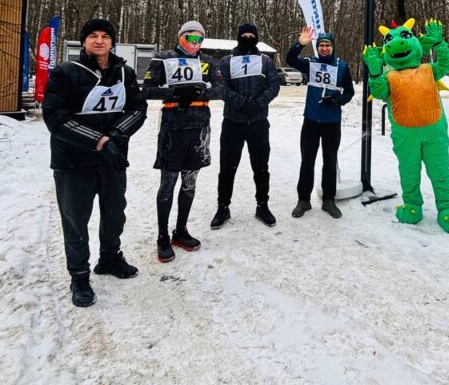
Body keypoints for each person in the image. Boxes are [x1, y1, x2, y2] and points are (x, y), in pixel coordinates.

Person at [42, 18, 147, 307]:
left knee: (115, 214)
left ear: (112, 42)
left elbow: (138, 108)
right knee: (76, 221)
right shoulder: (65, 73)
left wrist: (115, 134)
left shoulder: (124, 73)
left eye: (104, 36)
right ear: (84, 42)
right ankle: (79, 276)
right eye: (92, 36)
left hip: (112, 161)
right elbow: (55, 117)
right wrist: (99, 140)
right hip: (73, 162)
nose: (99, 41)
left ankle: (110, 259)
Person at [143, 21, 218, 262]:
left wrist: (199, 91)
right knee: (168, 183)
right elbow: (146, 90)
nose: (194, 43)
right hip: (172, 129)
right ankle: (162, 235)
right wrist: (175, 93)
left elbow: (222, 89)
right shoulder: (162, 58)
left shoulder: (207, 61)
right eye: (189, 38)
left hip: (198, 129)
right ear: (180, 36)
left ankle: (181, 230)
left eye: (198, 39)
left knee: (189, 182)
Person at [211, 23, 281, 229]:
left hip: (258, 122)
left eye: (252, 35)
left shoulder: (265, 61)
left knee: (261, 167)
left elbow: (274, 85)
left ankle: (262, 205)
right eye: (244, 35)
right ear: (238, 37)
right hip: (233, 122)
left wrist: (258, 103)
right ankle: (223, 206)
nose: (248, 38)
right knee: (227, 168)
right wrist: (241, 102)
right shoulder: (226, 61)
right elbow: (221, 87)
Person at [286, 26, 355, 218]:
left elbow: (350, 91)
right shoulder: (310, 63)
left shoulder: (341, 67)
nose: (325, 49)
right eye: (322, 45)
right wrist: (300, 44)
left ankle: (329, 200)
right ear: (318, 47)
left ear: (333, 48)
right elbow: (290, 60)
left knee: (330, 161)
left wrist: (337, 100)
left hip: (331, 122)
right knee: (307, 160)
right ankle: (303, 200)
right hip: (311, 120)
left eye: (328, 46)